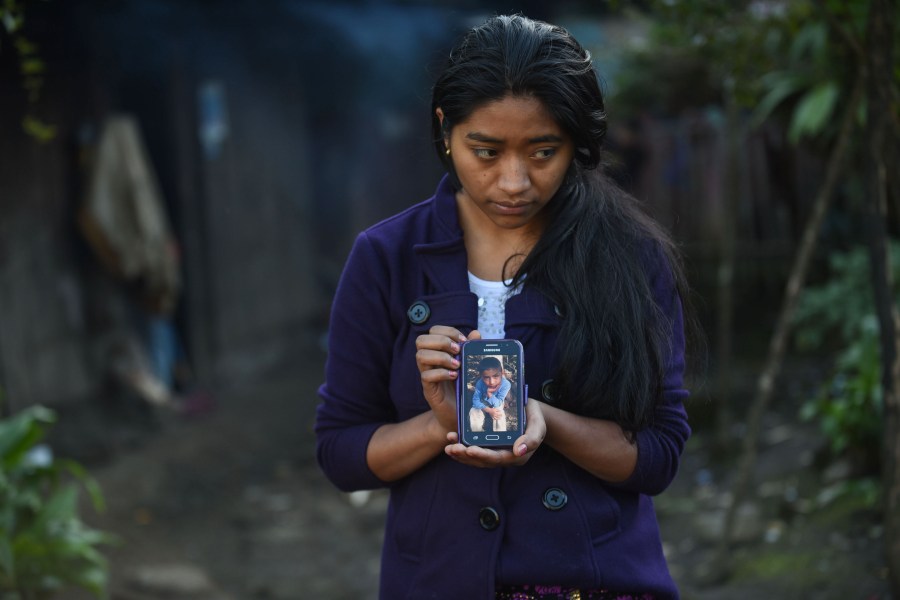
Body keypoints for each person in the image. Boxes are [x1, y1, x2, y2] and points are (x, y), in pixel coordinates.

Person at [316, 14, 693, 599]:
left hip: (593, 583)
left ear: (579, 143)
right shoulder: (386, 257)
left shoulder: (631, 257)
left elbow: (659, 455)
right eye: (485, 151)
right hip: (438, 581)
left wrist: (545, 421)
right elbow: (341, 454)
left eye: (544, 151)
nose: (514, 182)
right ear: (445, 129)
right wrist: (439, 424)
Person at [469, 356, 511, 432]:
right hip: (484, 401)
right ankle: (477, 434)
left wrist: (490, 394)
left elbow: (498, 403)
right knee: (474, 411)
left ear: (502, 373)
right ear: (481, 376)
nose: (491, 382)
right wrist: (488, 410)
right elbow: (475, 401)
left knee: (498, 412)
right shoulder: (480, 383)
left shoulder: (506, 384)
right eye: (486, 377)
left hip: (497, 401)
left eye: (495, 376)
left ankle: (500, 434)